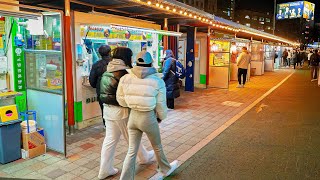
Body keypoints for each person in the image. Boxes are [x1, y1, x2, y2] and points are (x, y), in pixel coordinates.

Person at [117, 51, 178, 180]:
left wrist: (132, 104)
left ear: (136, 62)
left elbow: (121, 100)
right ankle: (165, 169)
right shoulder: (157, 81)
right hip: (148, 118)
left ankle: (125, 178)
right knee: (157, 146)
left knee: (132, 151)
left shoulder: (125, 78)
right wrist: (162, 116)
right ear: (151, 63)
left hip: (133, 117)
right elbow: (161, 104)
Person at [98, 47, 155, 179]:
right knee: (132, 140)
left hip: (107, 110)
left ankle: (104, 170)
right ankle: (140, 161)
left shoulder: (108, 69)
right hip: (121, 111)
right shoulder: (124, 73)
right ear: (126, 57)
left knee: (110, 140)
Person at [89, 45, 112, 127]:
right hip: (115, 91)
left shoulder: (96, 65)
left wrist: (98, 86)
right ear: (110, 52)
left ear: (99, 54)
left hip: (101, 91)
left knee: (104, 109)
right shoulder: (115, 63)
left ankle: (106, 126)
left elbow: (92, 81)